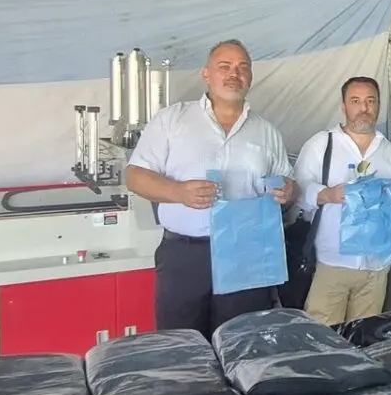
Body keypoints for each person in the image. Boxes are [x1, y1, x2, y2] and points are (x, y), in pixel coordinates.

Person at [125, 39, 296, 332]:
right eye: (224, 67)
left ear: (250, 76)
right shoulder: (173, 120)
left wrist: (289, 191)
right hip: (186, 255)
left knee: (240, 341)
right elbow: (135, 176)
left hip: (247, 254)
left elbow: (287, 183)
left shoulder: (267, 132)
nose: (234, 74)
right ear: (206, 74)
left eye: (242, 67)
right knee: (183, 344)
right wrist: (177, 192)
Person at [294, 76, 391, 326]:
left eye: (370, 101)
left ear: (378, 105)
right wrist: (327, 194)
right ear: (343, 106)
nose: (364, 108)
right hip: (332, 263)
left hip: (376, 266)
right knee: (324, 336)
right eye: (356, 101)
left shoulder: (390, 152)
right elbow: (297, 190)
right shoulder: (322, 144)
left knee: (364, 336)